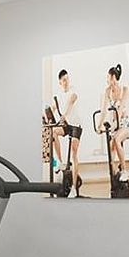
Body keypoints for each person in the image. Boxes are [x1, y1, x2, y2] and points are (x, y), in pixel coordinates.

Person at [101, 64, 129, 186]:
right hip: (114, 125)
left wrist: (116, 123)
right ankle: (113, 174)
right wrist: (99, 126)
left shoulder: (125, 90)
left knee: (117, 139)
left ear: (113, 77)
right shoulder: (107, 91)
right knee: (111, 148)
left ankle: (124, 171)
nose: (107, 80)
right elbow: (103, 110)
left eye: (108, 77)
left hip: (124, 124)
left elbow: (120, 109)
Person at [55, 69, 83, 197]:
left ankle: (73, 188)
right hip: (66, 125)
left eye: (67, 79)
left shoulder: (73, 90)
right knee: (53, 132)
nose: (66, 81)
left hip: (76, 125)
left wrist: (65, 115)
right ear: (60, 82)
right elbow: (53, 107)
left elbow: (71, 101)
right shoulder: (59, 94)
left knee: (74, 153)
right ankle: (60, 162)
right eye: (64, 80)